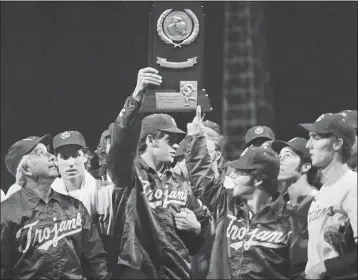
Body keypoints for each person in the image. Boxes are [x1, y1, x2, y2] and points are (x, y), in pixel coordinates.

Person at [107, 67, 212, 279]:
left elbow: (204, 231)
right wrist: (136, 95)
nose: (176, 146)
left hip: (177, 273)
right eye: (170, 140)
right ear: (150, 140)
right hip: (139, 273)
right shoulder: (129, 174)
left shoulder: (180, 181)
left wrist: (197, 229)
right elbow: (120, 143)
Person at [1, 135, 110, 279]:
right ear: (26, 169)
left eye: (48, 151)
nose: (52, 156)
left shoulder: (75, 206)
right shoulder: (6, 213)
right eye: (40, 153)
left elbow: (96, 258)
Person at [198, 145, 298, 279]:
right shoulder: (226, 204)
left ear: (257, 180)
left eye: (240, 172)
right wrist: (195, 138)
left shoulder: (291, 219)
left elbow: (300, 272)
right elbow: (202, 180)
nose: (233, 176)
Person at [299, 113, 357, 279]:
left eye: (316, 138)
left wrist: (325, 267)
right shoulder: (323, 192)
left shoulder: (353, 186)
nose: (308, 145)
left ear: (337, 143)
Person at [271, 137, 319, 279]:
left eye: (288, 155)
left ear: (305, 166)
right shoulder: (278, 204)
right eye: (279, 156)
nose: (280, 160)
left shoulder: (319, 201)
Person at [51, 130, 114, 238]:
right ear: (55, 161)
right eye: (64, 157)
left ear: (85, 157)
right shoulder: (49, 194)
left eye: (75, 156)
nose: (70, 163)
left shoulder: (106, 191)